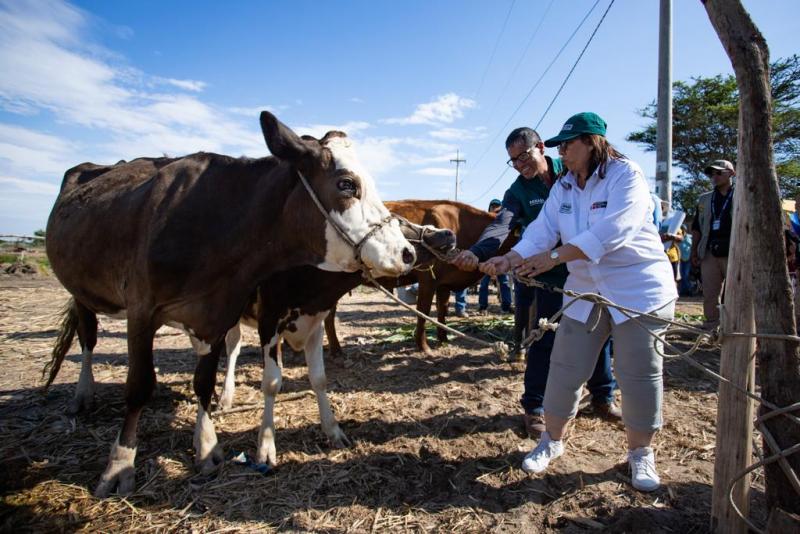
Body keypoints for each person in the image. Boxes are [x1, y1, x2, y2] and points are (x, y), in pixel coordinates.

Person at [480, 112, 677, 492]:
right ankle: (551, 440)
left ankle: (640, 453)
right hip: (585, 291)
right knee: (565, 367)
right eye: (558, 145)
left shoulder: (624, 175)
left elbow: (617, 228)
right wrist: (512, 258)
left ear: (591, 142)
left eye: (567, 144)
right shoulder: (565, 187)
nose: (561, 152)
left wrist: (555, 258)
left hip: (638, 289)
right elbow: (542, 230)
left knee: (639, 375)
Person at [451, 125, 620, 439]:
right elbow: (502, 225)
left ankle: (602, 397)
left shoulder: (571, 170)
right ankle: (534, 408)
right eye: (513, 161)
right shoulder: (517, 192)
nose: (520, 165)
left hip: (586, 271)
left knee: (599, 334)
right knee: (542, 340)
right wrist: (477, 252)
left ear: (541, 147)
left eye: (524, 156)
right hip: (544, 275)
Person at [690, 159, 735, 329]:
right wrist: (695, 251)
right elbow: (696, 227)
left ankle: (733, 328)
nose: (714, 176)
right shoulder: (704, 199)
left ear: (731, 173)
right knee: (710, 293)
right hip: (709, 252)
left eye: (718, 172)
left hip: (734, 252)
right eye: (711, 174)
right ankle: (712, 328)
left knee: (734, 293)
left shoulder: (742, 195)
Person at [478, 199, 513, 314]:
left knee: (504, 283)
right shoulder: (484, 222)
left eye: (498, 207)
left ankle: (506, 306)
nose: (495, 209)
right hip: (486, 259)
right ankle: (483, 307)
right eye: (493, 206)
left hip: (502, 258)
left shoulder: (506, 222)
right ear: (489, 208)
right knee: (484, 284)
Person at [678, 225, 694, 296]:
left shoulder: (690, 237)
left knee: (686, 275)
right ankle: (683, 291)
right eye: (681, 229)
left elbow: (693, 246)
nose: (682, 231)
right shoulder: (678, 238)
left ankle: (689, 291)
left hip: (688, 259)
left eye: (683, 229)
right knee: (681, 276)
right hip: (681, 259)